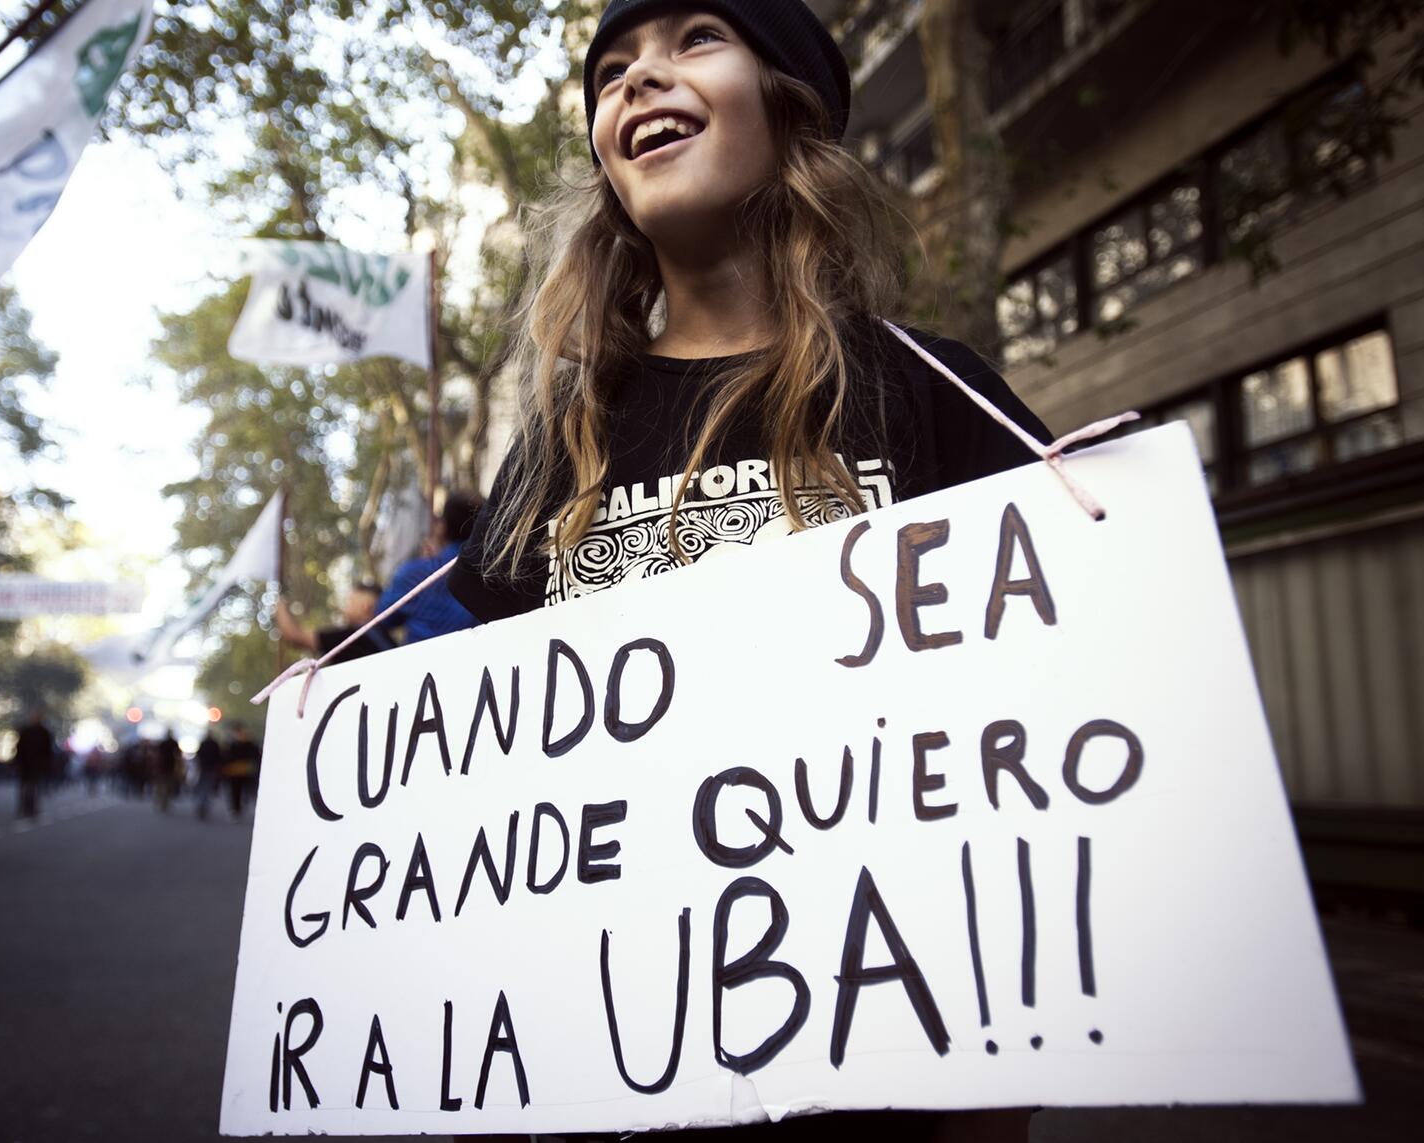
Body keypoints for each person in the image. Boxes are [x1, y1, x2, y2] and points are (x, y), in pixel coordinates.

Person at [446, 5, 1044, 1141]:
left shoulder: (929, 390)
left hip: (891, 1057)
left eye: (694, 40)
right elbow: (483, 779)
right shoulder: (562, 440)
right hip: (615, 1067)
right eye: (611, 71)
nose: (637, 82)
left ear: (787, 104)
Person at [380, 492, 483, 643]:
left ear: (444, 527)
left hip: (423, 665)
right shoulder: (498, 572)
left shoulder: (414, 574)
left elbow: (381, 621)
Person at [274, 579, 398, 663]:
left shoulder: (353, 638)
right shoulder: (386, 638)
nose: (344, 609)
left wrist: (279, 604)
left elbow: (295, 636)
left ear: (364, 607)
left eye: (350, 602)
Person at [12, 707, 54, 820]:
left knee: (33, 786)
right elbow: (19, 748)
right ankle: (23, 807)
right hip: (25, 764)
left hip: (36, 764)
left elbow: (48, 750)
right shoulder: (26, 731)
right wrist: (17, 762)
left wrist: (47, 764)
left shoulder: (44, 732)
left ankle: (32, 808)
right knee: (25, 786)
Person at [222, 721, 261, 822]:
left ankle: (236, 809)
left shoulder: (232, 743)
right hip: (245, 770)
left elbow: (226, 757)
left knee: (236, 791)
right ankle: (240, 807)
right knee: (244, 790)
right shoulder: (248, 742)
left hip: (235, 771)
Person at [193, 727, 224, 820]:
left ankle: (201, 804)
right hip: (211, 769)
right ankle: (204, 805)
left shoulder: (203, 743)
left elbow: (198, 756)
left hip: (203, 768)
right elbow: (219, 757)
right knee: (208, 787)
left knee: (202, 787)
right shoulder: (215, 744)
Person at [154, 729, 184, 813]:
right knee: (167, 786)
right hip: (169, 768)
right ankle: (164, 802)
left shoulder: (164, 743)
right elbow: (178, 755)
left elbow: (157, 755)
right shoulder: (173, 743)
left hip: (164, 768)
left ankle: (163, 802)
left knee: (164, 786)